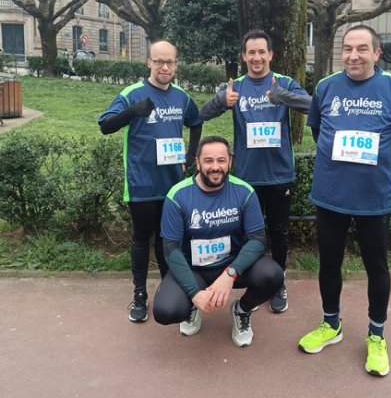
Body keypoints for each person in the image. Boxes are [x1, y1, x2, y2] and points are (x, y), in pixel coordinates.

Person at [298, 25, 391, 376]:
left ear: (377, 53)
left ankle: (376, 336)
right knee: (329, 265)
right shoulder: (325, 86)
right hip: (330, 195)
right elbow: (318, 129)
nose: (353, 55)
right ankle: (331, 324)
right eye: (348, 49)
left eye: (362, 49)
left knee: (376, 268)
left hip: (372, 200)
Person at [200, 29, 311, 313]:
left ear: (270, 55)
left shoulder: (283, 83)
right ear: (244, 56)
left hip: (279, 175)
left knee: (278, 232)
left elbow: (314, 106)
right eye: (251, 52)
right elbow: (200, 115)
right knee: (248, 234)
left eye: (262, 52)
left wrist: (283, 97)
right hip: (245, 179)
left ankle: (278, 283)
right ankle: (254, 283)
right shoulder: (235, 86)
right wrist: (220, 101)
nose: (257, 57)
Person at [98, 40, 203, 323]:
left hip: (173, 185)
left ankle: (171, 291)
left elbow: (196, 121)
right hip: (142, 185)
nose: (165, 67)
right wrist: (133, 111)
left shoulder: (181, 97)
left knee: (168, 241)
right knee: (142, 240)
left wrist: (192, 155)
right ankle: (140, 295)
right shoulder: (133, 93)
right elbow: (105, 125)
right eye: (159, 62)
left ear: (176, 64)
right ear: (149, 63)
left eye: (170, 62)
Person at [152, 136, 284, 347]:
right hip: (194, 270)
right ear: (197, 162)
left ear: (230, 162)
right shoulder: (177, 195)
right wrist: (194, 293)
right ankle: (192, 306)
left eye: (221, 161)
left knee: (273, 275)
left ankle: (242, 309)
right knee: (166, 310)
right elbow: (171, 250)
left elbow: (257, 240)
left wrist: (230, 274)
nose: (215, 167)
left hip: (232, 267)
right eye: (208, 161)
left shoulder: (244, 191)